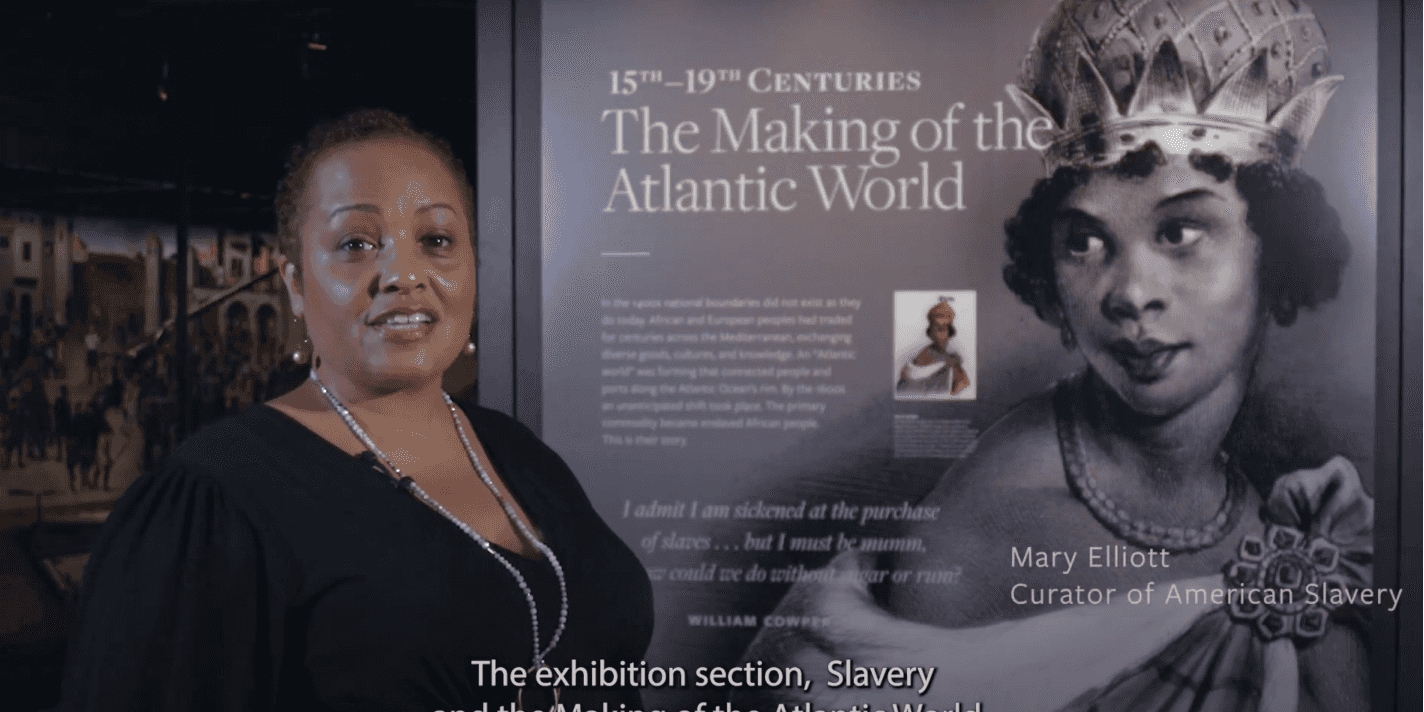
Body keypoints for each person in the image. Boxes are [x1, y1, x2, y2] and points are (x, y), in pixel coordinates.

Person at [741, 2, 1371, 710]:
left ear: (1275, 251)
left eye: (1180, 231)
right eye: (1085, 241)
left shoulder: (1264, 518)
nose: (1130, 293)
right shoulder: (993, 520)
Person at [60, 108, 654, 710]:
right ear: (294, 284)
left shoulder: (519, 454)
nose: (403, 274)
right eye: (356, 244)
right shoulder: (214, 500)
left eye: (436, 241)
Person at [896, 299, 969, 396]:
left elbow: (961, 386)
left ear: (949, 332)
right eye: (937, 329)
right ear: (930, 332)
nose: (941, 334)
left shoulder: (953, 359)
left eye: (944, 329)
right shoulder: (920, 354)